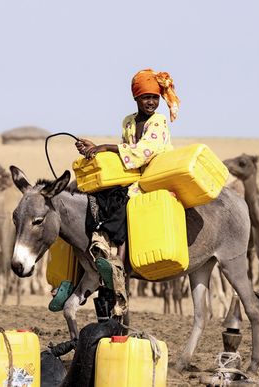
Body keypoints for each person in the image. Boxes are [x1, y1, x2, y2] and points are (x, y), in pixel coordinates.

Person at [74, 69, 180, 317]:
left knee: (125, 202)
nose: (151, 102)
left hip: (154, 174)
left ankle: (119, 263)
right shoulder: (129, 121)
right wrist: (94, 150)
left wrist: (106, 147)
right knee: (100, 198)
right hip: (134, 174)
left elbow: (144, 151)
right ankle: (97, 251)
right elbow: (127, 153)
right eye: (146, 98)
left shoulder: (159, 122)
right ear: (136, 99)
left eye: (155, 97)